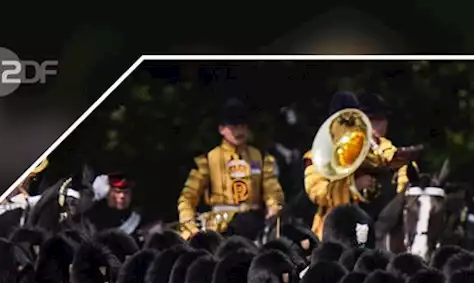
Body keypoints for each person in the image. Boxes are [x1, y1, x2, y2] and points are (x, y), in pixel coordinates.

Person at [305, 91, 420, 237]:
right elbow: (317, 191)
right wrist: (354, 188)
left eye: (351, 122)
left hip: (373, 223)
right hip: (335, 228)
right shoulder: (316, 154)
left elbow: (396, 162)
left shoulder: (375, 146)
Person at [177, 99, 285, 239]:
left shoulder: (259, 157)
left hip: (254, 228)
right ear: (221, 129)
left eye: (242, 125)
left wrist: (274, 207)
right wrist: (189, 224)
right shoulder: (209, 159)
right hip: (219, 229)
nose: (238, 131)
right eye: (232, 126)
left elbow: (272, 191)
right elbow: (187, 197)